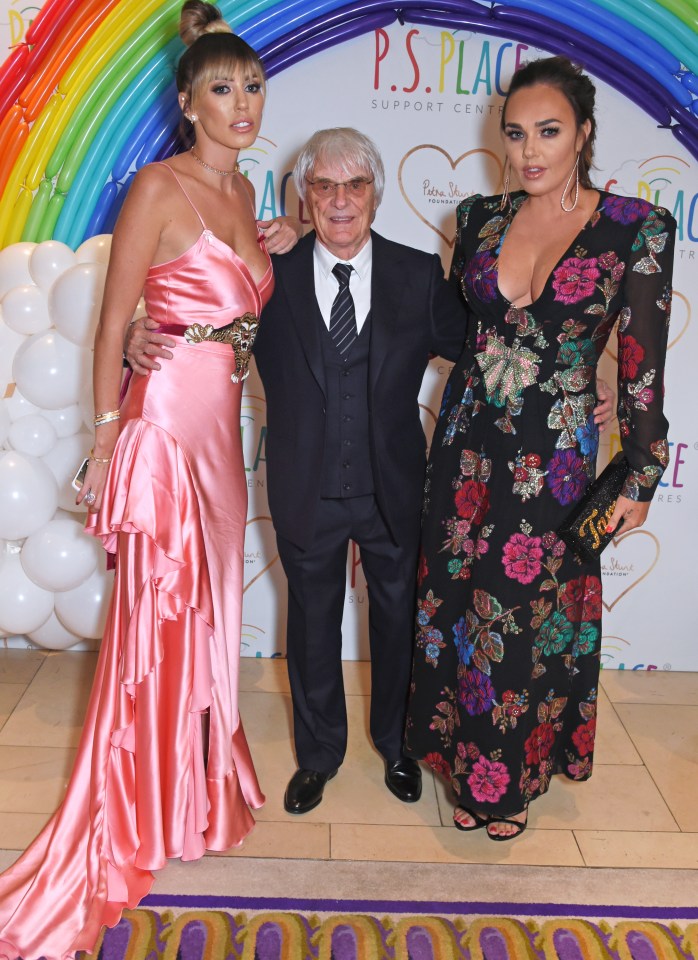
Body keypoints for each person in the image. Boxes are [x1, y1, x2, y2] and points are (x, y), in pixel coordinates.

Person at [128, 126, 615, 817]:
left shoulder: (419, 275)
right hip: (305, 491)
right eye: (323, 186)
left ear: (376, 196)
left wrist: (587, 369)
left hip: (395, 492)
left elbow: (484, 348)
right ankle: (319, 756)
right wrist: (134, 328)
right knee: (312, 629)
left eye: (354, 185)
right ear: (304, 197)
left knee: (397, 627)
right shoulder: (271, 276)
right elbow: (202, 320)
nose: (340, 200)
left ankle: (396, 746)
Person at [0, 4, 300, 957]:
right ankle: (137, 793)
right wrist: (103, 435)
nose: (242, 102)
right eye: (223, 88)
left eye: (251, 86)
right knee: (158, 613)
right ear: (187, 102)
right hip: (166, 424)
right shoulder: (155, 189)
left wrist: (274, 246)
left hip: (224, 430)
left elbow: (239, 299)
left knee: (210, 608)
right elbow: (114, 322)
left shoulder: (248, 190)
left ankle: (190, 783)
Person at [404, 56, 676, 840]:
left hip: (551, 457)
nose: (529, 150)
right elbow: (456, 334)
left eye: (548, 132)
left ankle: (509, 780)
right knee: (455, 607)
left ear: (583, 132)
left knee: (526, 617)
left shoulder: (635, 227)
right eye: (516, 133)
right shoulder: (479, 216)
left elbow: (643, 370)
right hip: (463, 444)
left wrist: (641, 473)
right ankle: (459, 760)